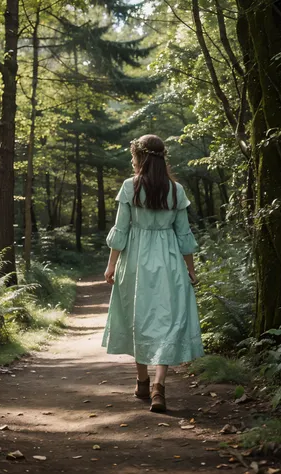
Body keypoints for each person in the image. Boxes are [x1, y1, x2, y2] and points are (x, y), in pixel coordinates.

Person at [102, 134, 204, 413]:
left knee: (138, 317)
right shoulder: (176, 190)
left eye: (134, 157)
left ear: (140, 158)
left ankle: (142, 382)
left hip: (135, 259)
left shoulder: (129, 187)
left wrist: (111, 265)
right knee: (167, 320)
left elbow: (121, 231)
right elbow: (184, 234)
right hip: (169, 260)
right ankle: (160, 386)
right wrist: (191, 269)